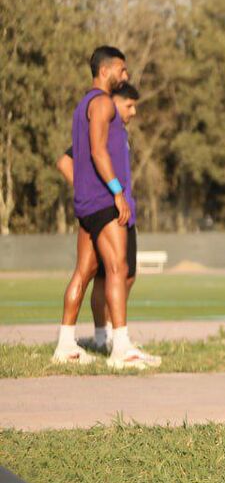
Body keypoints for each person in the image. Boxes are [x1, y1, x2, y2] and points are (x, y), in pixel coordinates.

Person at [63, 47, 158, 369]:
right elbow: (98, 152)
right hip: (104, 202)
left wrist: (85, 189)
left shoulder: (82, 105)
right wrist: (117, 192)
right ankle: (121, 349)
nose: (126, 76)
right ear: (105, 70)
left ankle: (65, 345)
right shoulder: (102, 102)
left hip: (89, 203)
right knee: (117, 270)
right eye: (122, 69)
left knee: (85, 272)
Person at [56, 82, 142, 357]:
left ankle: (68, 343)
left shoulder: (115, 133)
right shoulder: (102, 123)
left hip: (102, 207)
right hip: (108, 208)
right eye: (129, 105)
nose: (133, 111)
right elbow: (66, 161)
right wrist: (102, 191)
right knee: (116, 271)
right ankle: (117, 343)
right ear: (114, 103)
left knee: (97, 273)